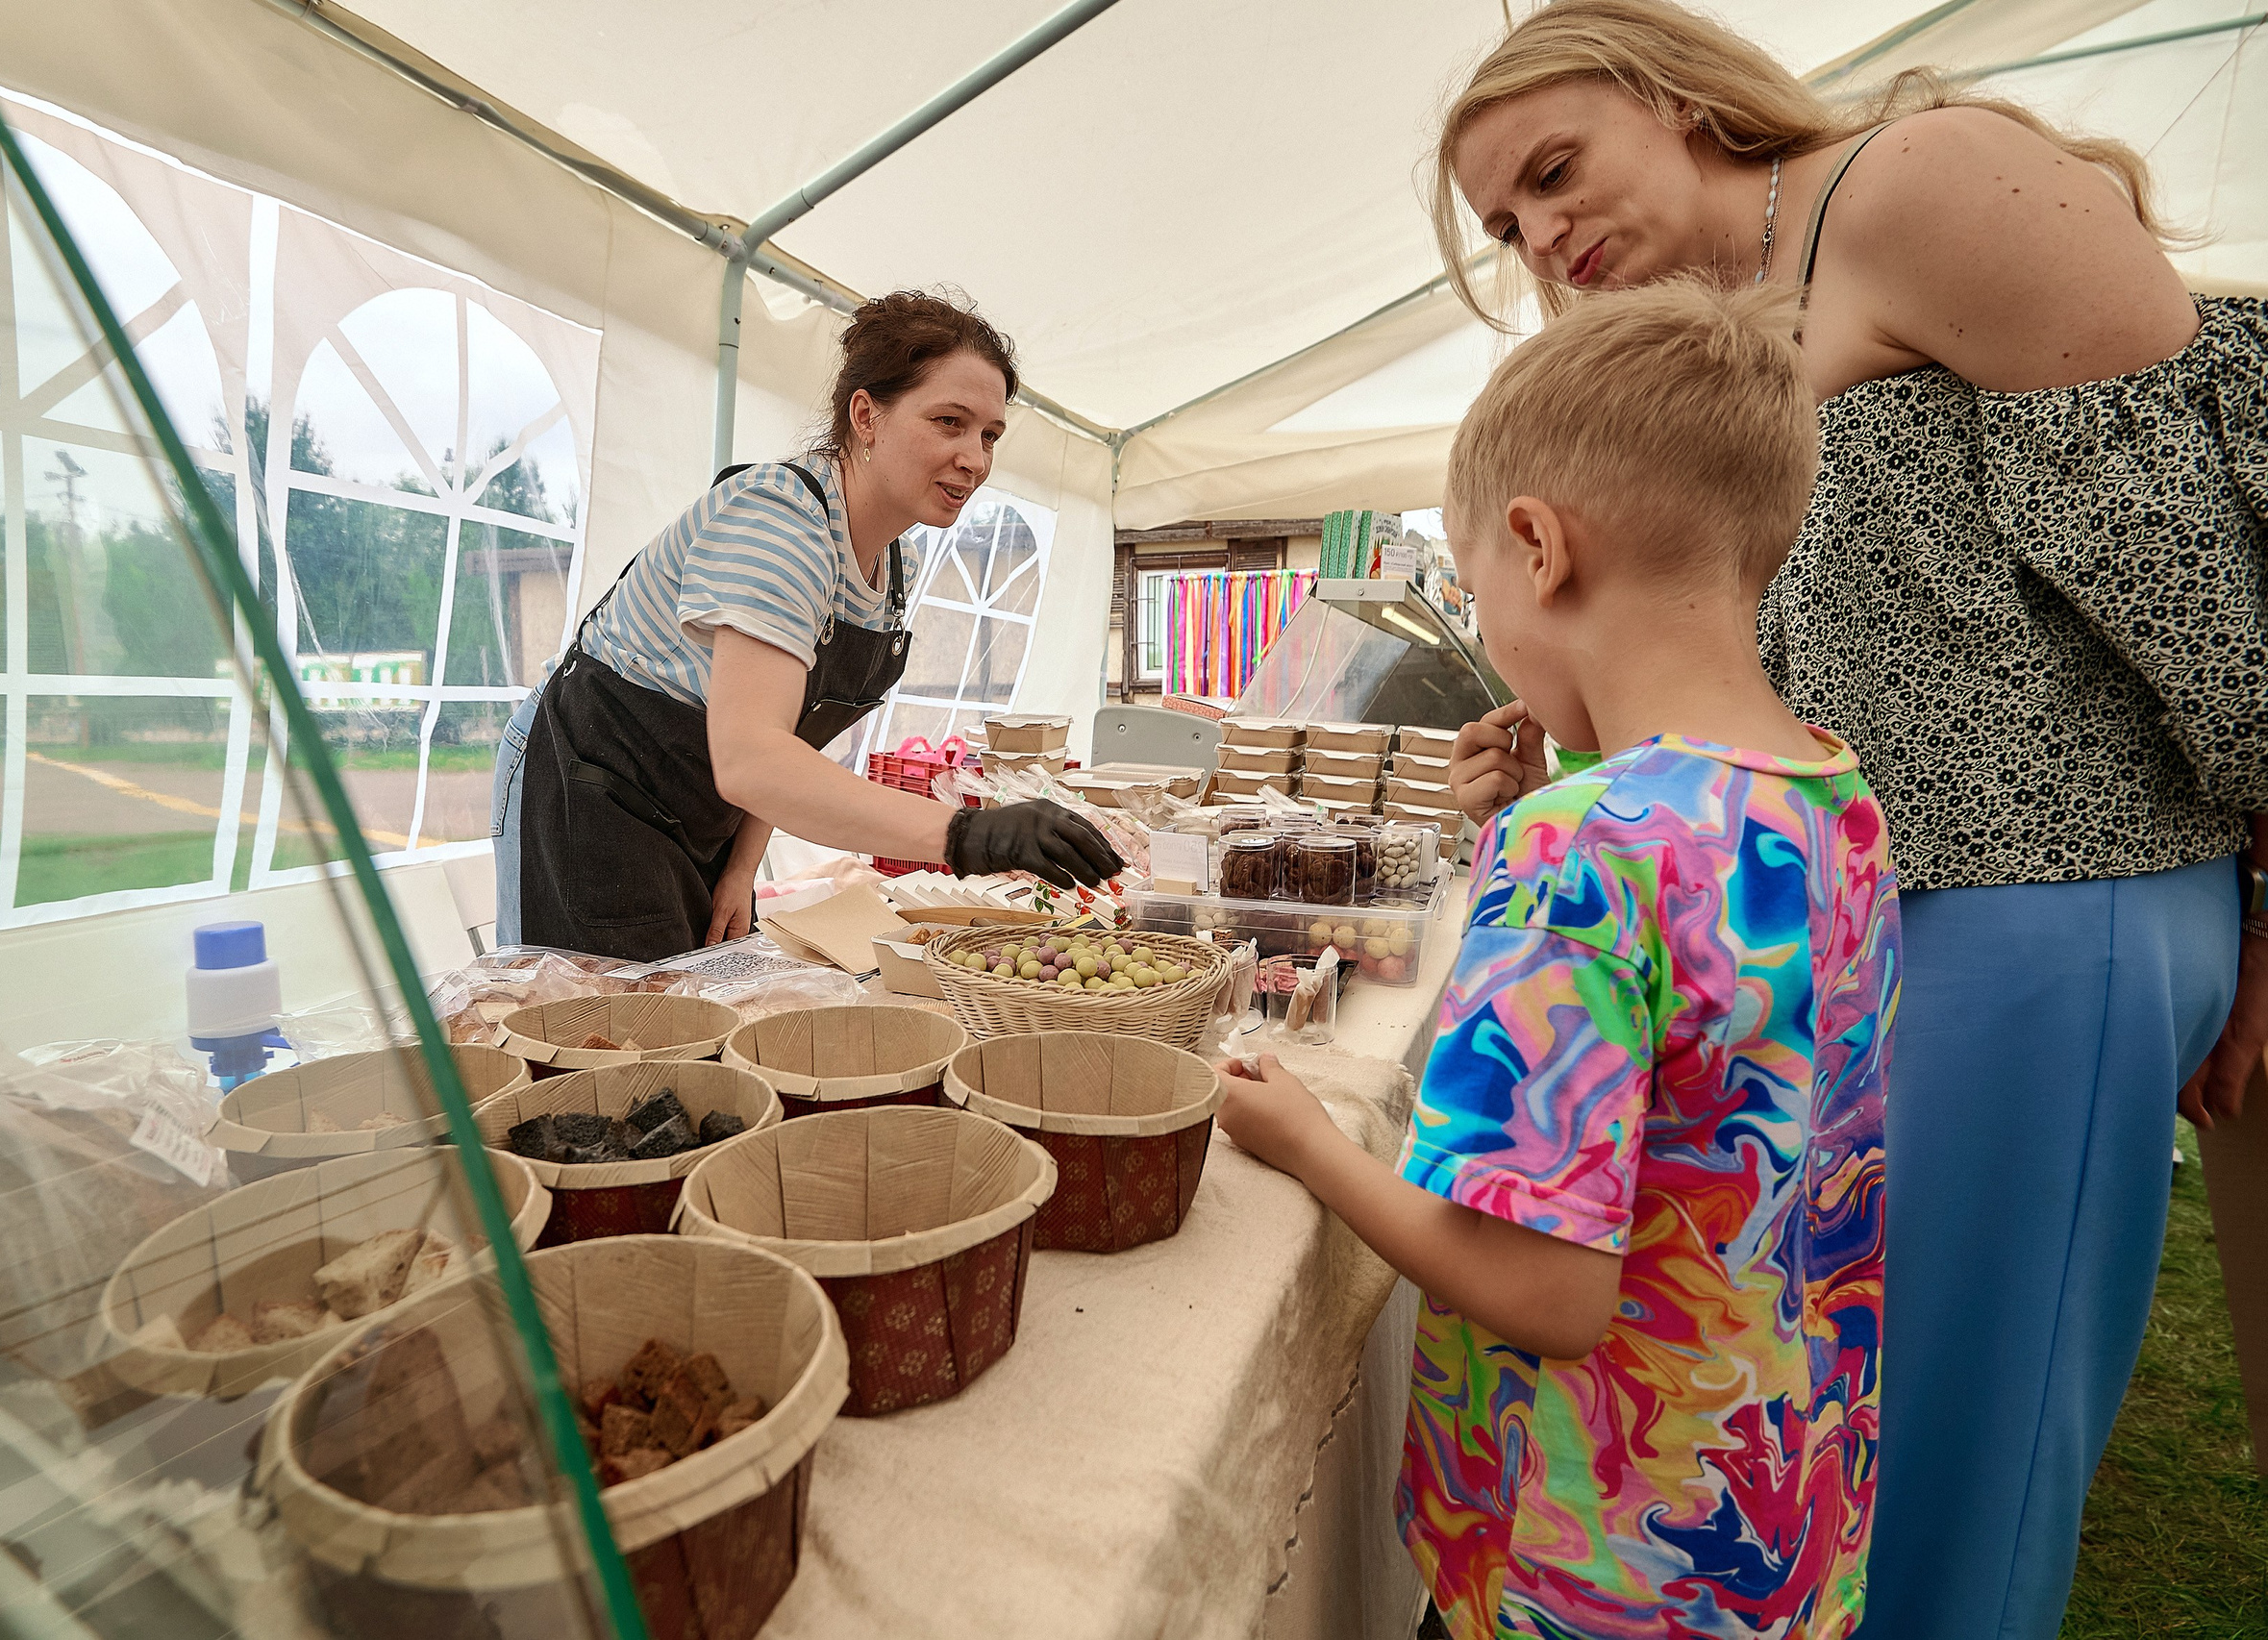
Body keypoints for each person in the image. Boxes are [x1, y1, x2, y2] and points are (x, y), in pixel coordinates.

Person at [1429, 5, 2267, 1633]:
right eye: (1509, 226)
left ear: (1680, 99)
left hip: (2043, 906)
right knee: (1832, 1428)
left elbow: (2211, 582)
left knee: (1959, 1457)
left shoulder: (1916, 183)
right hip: (1875, 917)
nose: (1542, 236)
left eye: (1553, 170)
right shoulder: (1707, 341)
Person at [1219, 277, 1896, 1638]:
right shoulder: (1831, 800)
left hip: (1579, 1566)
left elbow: (1543, 1283)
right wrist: (1569, 778)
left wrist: (1306, 1142)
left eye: (1477, 592)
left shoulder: (1582, 848)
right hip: (1773, 1530)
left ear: (1538, 546)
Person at [493, 290, 1118, 961]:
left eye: (989, 435)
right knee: (606, 1028)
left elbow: (789, 731)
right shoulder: (779, 523)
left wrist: (739, 867)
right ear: (865, 416)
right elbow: (753, 757)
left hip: (700, 807)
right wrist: (970, 835)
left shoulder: (888, 564)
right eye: (949, 421)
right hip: (589, 785)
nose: (975, 457)